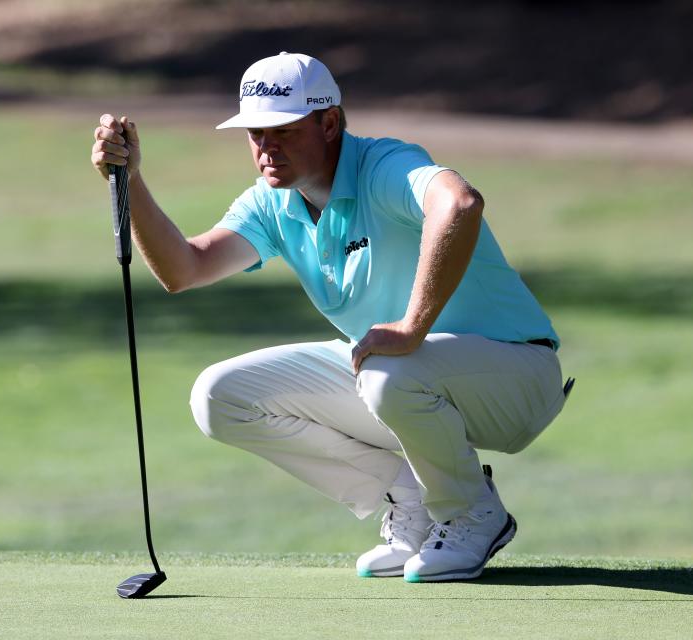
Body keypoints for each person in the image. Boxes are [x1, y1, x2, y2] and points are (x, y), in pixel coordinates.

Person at [91, 52, 570, 582]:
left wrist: (412, 326)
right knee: (219, 395)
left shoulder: (384, 165)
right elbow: (184, 267)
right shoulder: (274, 204)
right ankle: (410, 499)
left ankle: (471, 513)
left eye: (284, 131)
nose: (267, 149)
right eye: (256, 134)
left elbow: (459, 205)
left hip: (517, 377)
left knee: (391, 372)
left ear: (330, 123)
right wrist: (129, 180)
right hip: (406, 377)